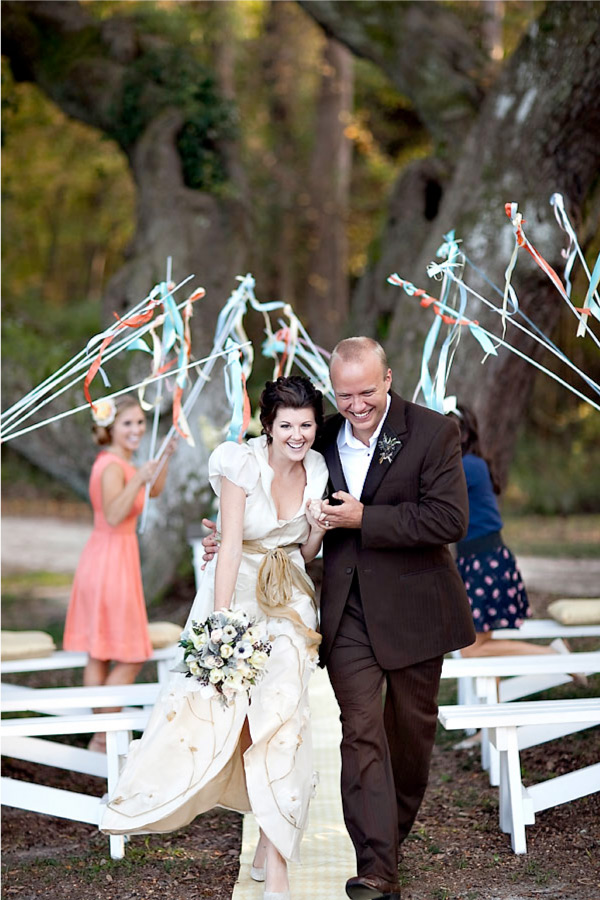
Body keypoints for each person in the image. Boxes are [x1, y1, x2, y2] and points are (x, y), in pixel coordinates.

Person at [203, 339, 476, 900]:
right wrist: (232, 537)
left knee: (410, 737)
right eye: (345, 394)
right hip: (346, 609)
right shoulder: (319, 434)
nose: (356, 405)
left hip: (417, 610)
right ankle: (376, 868)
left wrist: (365, 518)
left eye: (367, 392)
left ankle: (388, 840)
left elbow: (450, 519)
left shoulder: (432, 431)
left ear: (389, 379)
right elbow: (268, 479)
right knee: (361, 731)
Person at [101, 376, 329, 900]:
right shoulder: (238, 463)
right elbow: (227, 548)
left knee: (284, 719)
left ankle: (276, 865)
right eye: (286, 426)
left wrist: (316, 528)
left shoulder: (316, 467)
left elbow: (308, 552)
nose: (297, 435)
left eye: (306, 425)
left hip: (290, 600)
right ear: (268, 428)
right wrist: (221, 623)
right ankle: (243, 826)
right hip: (236, 594)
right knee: (234, 721)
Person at [63, 395, 173, 752]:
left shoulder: (126, 463)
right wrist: (137, 478)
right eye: (128, 423)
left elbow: (152, 490)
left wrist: (166, 456)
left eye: (140, 422)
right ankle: (102, 735)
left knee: (103, 650)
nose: (137, 429)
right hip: (108, 560)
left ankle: (100, 737)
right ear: (111, 428)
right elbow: (113, 515)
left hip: (115, 558)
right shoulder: (112, 465)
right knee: (125, 652)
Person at [449, 404, 574, 661]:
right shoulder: (466, 465)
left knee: (471, 649)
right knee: (481, 642)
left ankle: (552, 654)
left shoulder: (468, 466)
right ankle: (492, 698)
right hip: (476, 560)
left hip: (484, 561)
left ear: (462, 435)